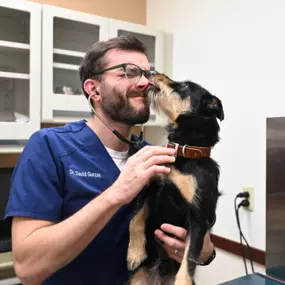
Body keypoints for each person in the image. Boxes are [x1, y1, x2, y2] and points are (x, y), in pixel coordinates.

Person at [5, 35, 215, 285]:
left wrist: (204, 253)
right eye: (128, 72)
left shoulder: (153, 158)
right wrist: (117, 193)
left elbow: (194, 238)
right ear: (93, 89)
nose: (145, 83)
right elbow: (28, 268)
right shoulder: (48, 147)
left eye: (147, 73)